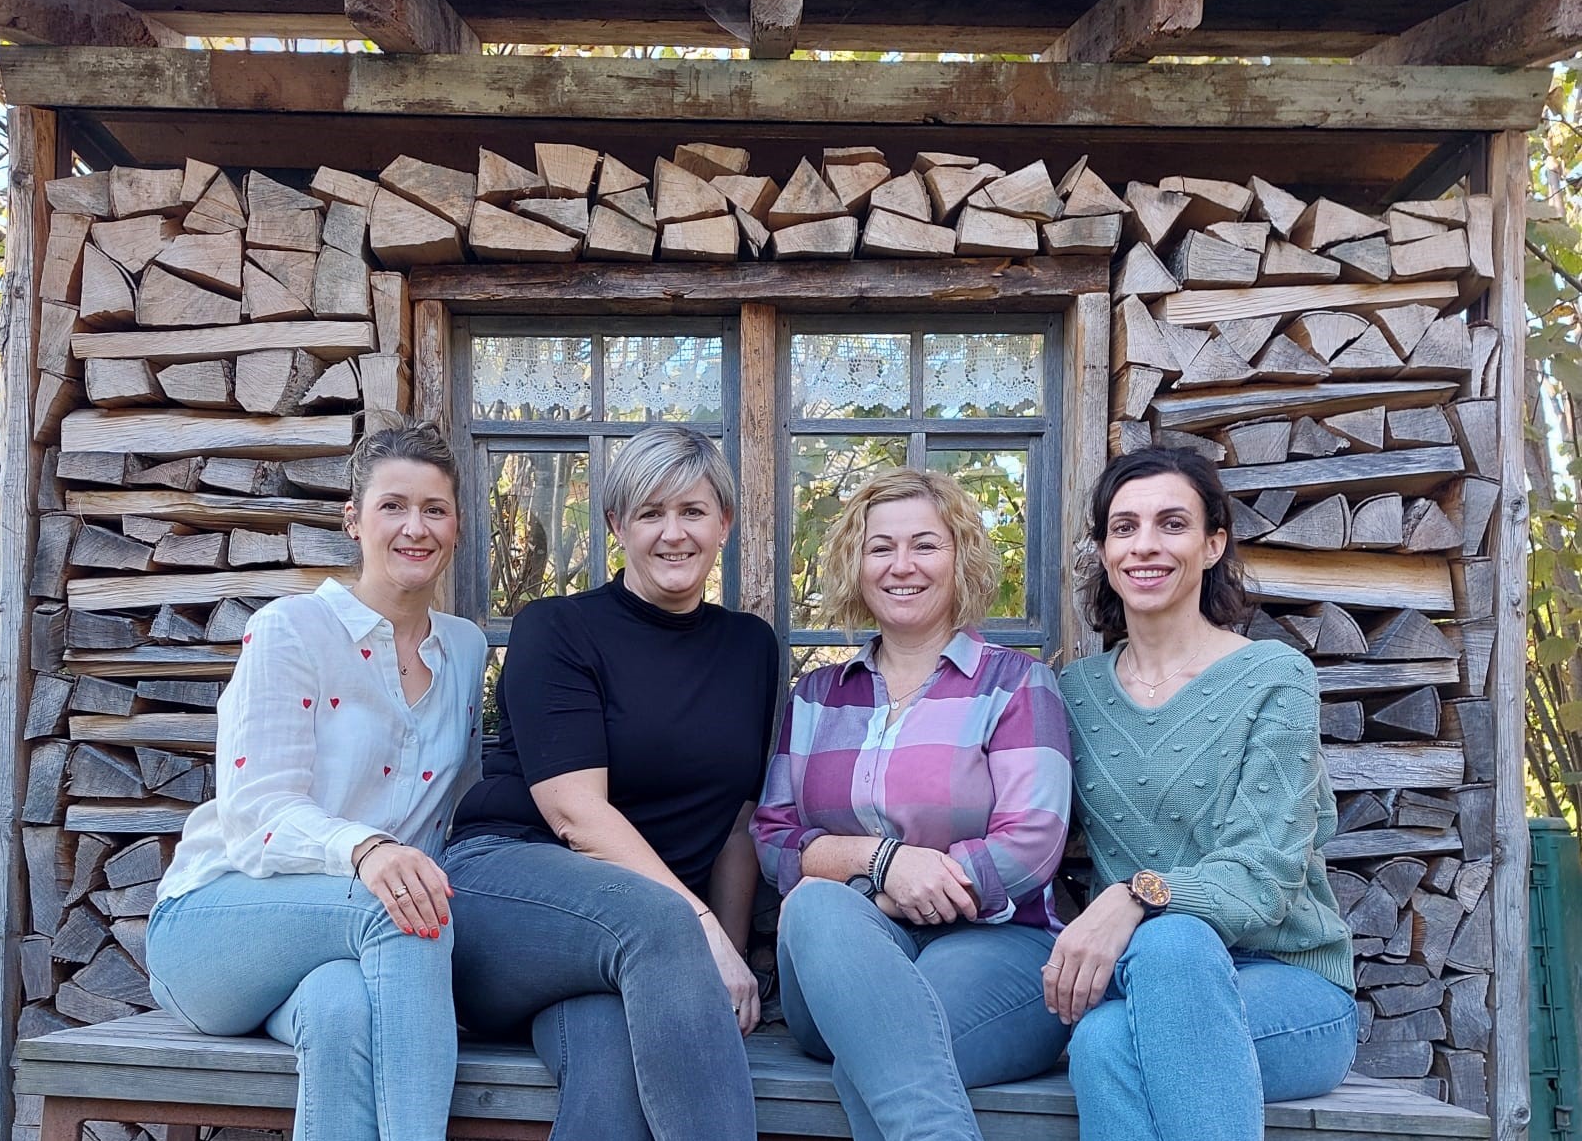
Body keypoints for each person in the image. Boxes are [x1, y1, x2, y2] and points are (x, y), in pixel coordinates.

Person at [145, 420, 486, 1141]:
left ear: (456, 526)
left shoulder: (464, 649)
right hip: (213, 928)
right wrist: (367, 850)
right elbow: (256, 816)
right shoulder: (292, 629)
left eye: (435, 509)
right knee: (408, 908)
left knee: (339, 1010)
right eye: (393, 506)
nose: (415, 527)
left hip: (345, 949)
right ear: (353, 520)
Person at [440, 423, 778, 1141]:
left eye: (692, 511)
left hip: (631, 952)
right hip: (506, 895)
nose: (673, 533)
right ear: (617, 525)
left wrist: (729, 956)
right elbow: (574, 814)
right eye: (651, 513)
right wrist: (700, 930)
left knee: (608, 1074)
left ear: (724, 523)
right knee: (658, 927)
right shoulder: (557, 628)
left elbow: (736, 824)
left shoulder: (750, 647)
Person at [751, 467, 1073, 1141]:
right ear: (857, 565)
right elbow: (775, 838)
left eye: (925, 545)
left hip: (998, 947)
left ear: (962, 558)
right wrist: (884, 864)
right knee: (815, 908)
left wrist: (889, 890)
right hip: (836, 958)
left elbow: (1032, 843)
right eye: (881, 548)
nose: (903, 566)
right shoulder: (817, 697)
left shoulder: (1016, 685)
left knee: (882, 1049)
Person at [1051, 445, 1357, 1141]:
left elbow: (1263, 878)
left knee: (1167, 949)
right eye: (1124, 528)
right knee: (1104, 1033)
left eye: (1172, 524)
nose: (1145, 546)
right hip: (1143, 981)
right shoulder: (1075, 693)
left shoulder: (1275, 677)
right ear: (1103, 551)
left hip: (1292, 991)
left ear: (1213, 544)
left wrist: (1134, 895)